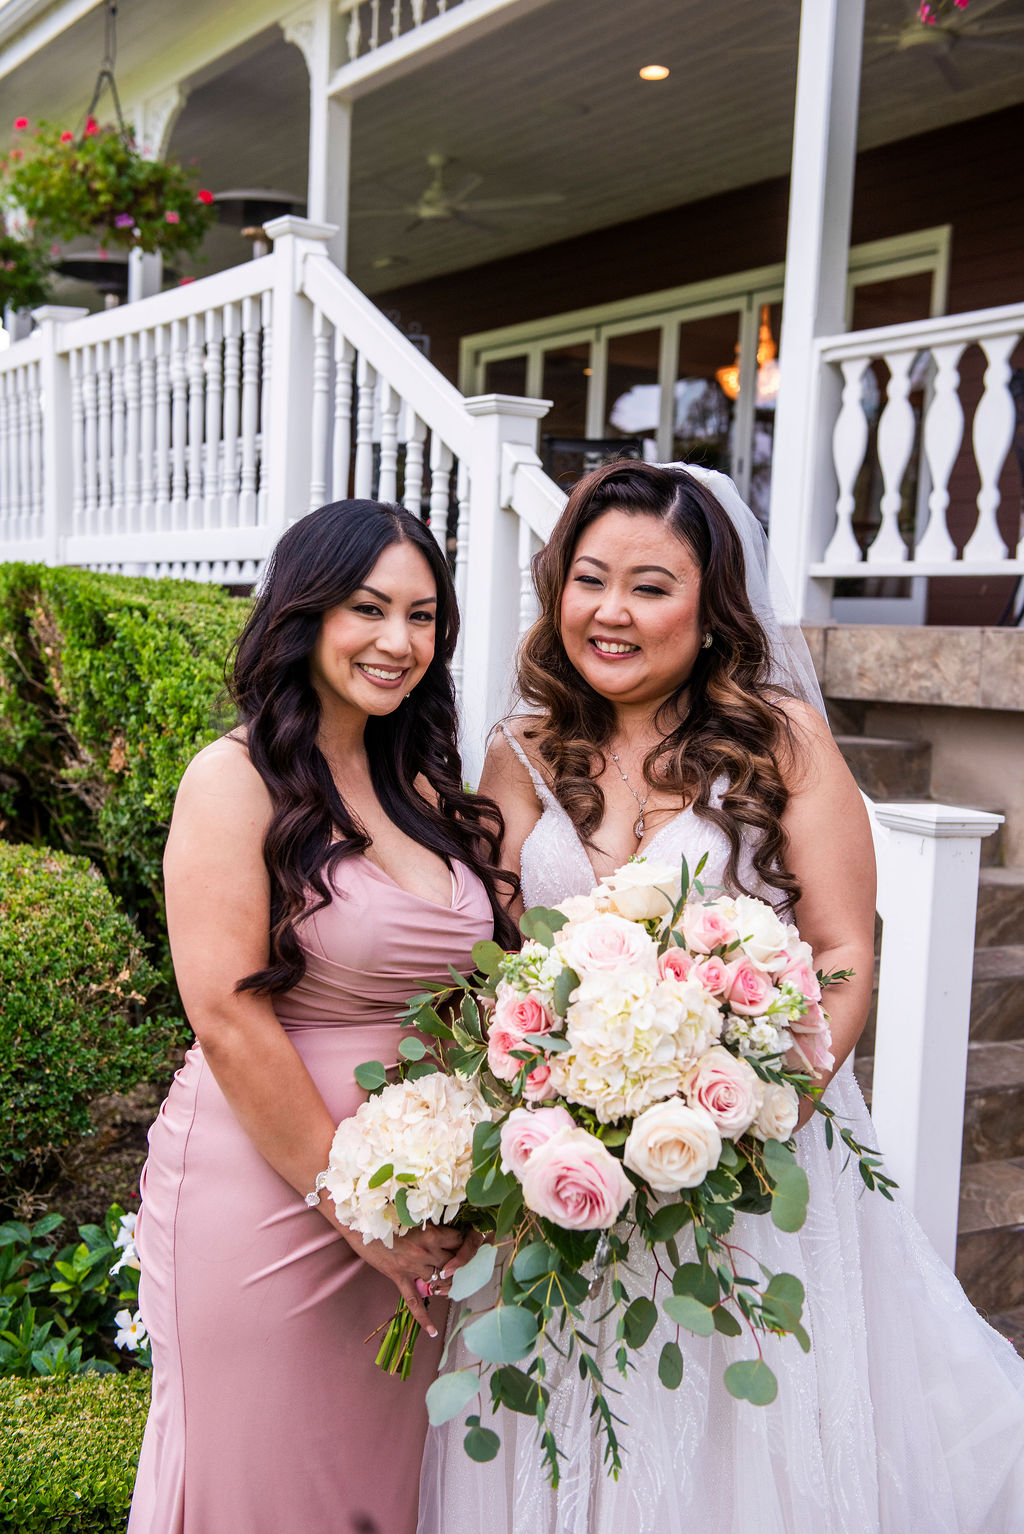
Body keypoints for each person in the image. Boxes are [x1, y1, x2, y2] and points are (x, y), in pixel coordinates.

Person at [418, 462, 1024, 1534]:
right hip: (561, 1164)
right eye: (590, 579)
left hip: (748, 1156)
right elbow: (499, 960)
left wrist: (756, 1115)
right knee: (571, 1408)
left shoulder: (780, 738)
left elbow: (842, 948)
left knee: (738, 1434)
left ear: (710, 613)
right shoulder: (518, 751)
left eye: (650, 586)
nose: (611, 611)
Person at [129, 499, 516, 1534]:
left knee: (373, 1492)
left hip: (421, 1197)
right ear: (305, 613)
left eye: (422, 616)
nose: (399, 641)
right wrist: (353, 1207)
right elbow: (225, 1014)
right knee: (259, 1487)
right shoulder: (233, 778)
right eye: (368, 608)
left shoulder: (424, 786)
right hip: (270, 1192)